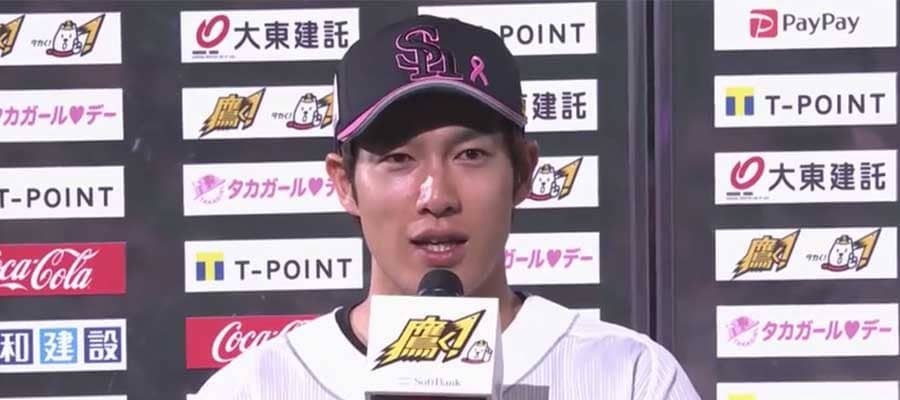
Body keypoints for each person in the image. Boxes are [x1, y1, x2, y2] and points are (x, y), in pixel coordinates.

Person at [194, 14, 700, 400]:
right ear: (345, 183)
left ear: (524, 172)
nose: (436, 196)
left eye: (470, 155)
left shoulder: (630, 378)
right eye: (398, 158)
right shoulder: (253, 388)